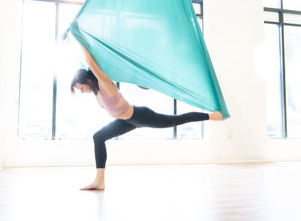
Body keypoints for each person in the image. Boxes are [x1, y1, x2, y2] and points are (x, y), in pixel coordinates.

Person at [71, 46, 223, 190]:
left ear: (89, 80)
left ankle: (211, 116)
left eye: (82, 88)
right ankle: (100, 181)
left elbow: (90, 61)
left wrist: (76, 38)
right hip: (126, 121)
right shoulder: (96, 92)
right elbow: (85, 64)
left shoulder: (104, 84)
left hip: (140, 116)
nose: (83, 92)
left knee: (174, 120)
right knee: (98, 137)